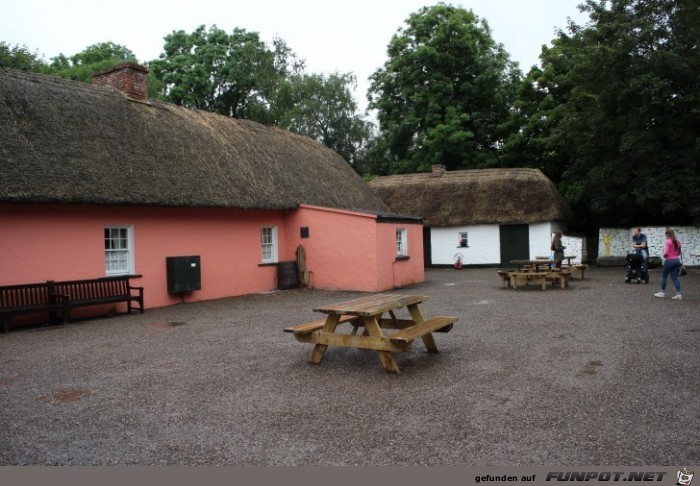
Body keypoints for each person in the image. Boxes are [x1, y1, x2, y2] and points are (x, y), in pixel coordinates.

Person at [654, 229, 682, 300]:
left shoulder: (668, 241)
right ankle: (678, 294)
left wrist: (664, 256)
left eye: (666, 234)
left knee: (664, 276)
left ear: (668, 234)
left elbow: (666, 252)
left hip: (669, 260)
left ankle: (662, 293)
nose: (666, 236)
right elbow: (679, 253)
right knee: (674, 277)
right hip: (677, 260)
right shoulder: (678, 241)